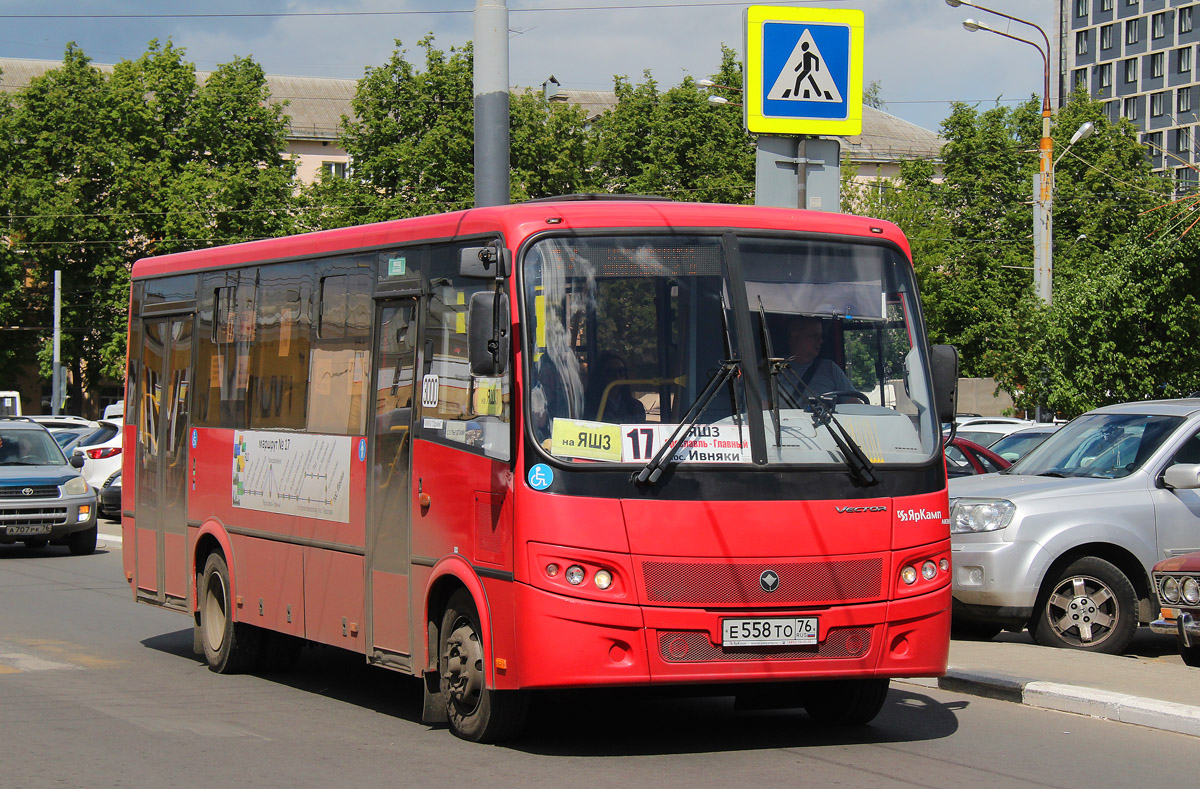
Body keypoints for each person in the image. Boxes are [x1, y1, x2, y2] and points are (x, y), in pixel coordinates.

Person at [783, 315, 856, 404]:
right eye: (813, 336)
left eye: (820, 336)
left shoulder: (830, 368)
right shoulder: (775, 371)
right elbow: (764, 409)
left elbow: (854, 404)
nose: (820, 341)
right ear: (794, 338)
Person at [585, 351, 646, 423]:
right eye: (610, 372)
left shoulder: (636, 406)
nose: (617, 376)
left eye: (621, 371)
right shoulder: (587, 405)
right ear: (600, 375)